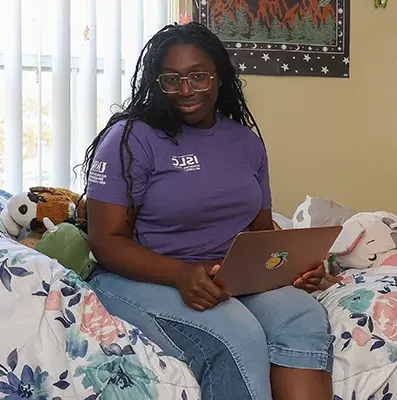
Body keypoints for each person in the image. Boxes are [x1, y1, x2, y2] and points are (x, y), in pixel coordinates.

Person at [83, 22, 334, 400]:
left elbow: (261, 231)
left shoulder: (245, 142)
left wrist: (294, 268)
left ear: (220, 77)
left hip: (228, 276)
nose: (186, 91)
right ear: (156, 83)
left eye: (199, 77)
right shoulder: (130, 140)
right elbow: (104, 241)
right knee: (236, 335)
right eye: (172, 79)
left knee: (304, 317)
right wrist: (181, 275)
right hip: (143, 277)